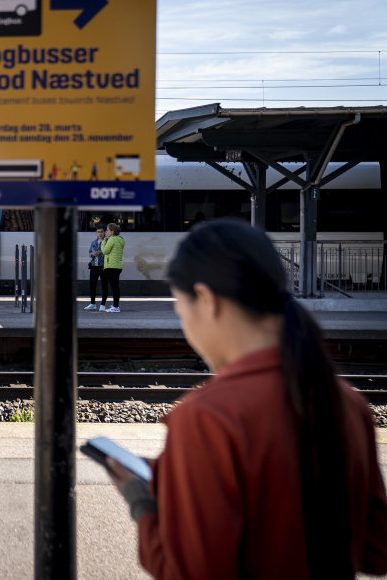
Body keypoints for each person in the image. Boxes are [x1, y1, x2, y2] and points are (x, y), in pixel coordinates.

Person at [101, 219, 387, 579]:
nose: (185, 325)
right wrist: (176, 477)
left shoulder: (206, 417)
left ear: (206, 300)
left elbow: (189, 573)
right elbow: (376, 551)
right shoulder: (348, 403)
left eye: (180, 308)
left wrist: (141, 501)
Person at [100, 222, 124, 313]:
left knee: (114, 287)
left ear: (112, 231)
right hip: (118, 266)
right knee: (115, 286)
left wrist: (103, 242)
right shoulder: (120, 239)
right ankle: (115, 304)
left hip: (111, 266)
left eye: (107, 230)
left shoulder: (111, 239)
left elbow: (105, 251)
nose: (106, 232)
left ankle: (116, 307)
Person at [83, 226, 107, 311]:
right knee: (92, 285)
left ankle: (103, 304)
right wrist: (92, 254)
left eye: (101, 232)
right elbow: (90, 252)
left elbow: (108, 252)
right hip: (94, 265)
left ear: (104, 232)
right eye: (98, 232)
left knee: (104, 285)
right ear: (96, 233)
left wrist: (100, 253)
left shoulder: (107, 242)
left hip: (103, 266)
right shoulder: (93, 242)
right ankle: (92, 303)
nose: (100, 234)